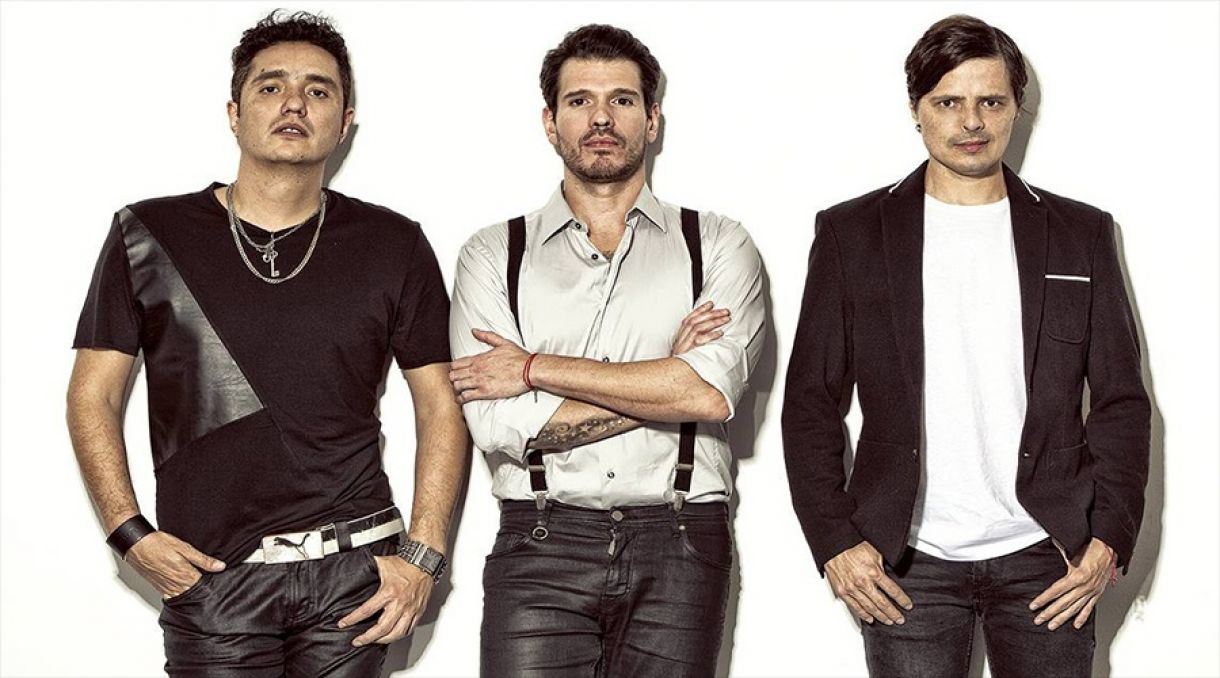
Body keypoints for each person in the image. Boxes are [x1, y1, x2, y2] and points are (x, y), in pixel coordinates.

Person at [66, 10, 467, 675]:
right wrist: (128, 533)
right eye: (271, 86)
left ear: (345, 121)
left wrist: (424, 556)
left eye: (318, 90)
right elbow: (92, 395)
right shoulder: (148, 234)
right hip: (212, 575)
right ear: (234, 112)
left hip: (355, 573)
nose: (294, 103)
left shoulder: (394, 244)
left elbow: (441, 402)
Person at [782, 14, 1150, 677]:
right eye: (948, 102)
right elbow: (810, 400)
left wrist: (1108, 539)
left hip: (1048, 552)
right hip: (904, 559)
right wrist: (835, 540)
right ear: (916, 108)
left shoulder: (1080, 233)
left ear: (1017, 108)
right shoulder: (852, 234)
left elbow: (1122, 401)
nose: (971, 121)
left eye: (991, 102)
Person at [446, 23, 765, 678]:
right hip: (540, 541)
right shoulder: (492, 254)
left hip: (682, 541)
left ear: (652, 120)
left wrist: (532, 369)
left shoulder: (718, 244)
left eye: (621, 100)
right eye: (579, 100)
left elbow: (709, 394)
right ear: (550, 122)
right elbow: (500, 426)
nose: (600, 118)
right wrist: (666, 380)